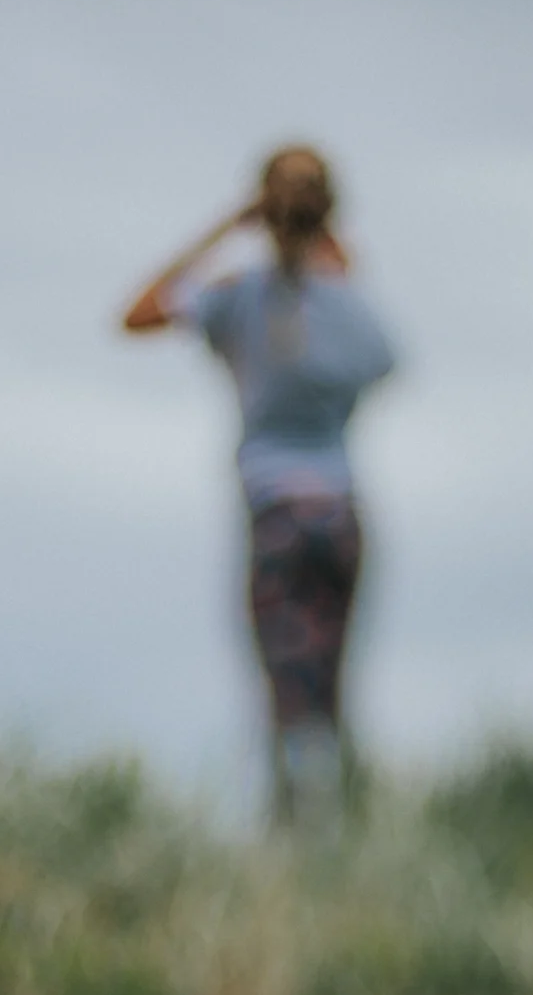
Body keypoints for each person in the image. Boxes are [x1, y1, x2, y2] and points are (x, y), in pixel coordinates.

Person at [121, 144, 398, 826]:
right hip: (340, 511)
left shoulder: (237, 296)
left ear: (261, 210)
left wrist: (224, 228)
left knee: (282, 682)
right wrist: (327, 247)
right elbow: (384, 360)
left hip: (276, 510)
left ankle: (290, 830)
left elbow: (139, 313)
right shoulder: (348, 307)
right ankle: (341, 826)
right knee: (331, 684)